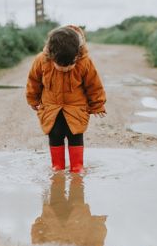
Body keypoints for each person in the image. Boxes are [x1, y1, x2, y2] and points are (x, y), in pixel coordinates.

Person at [26, 25, 106, 173]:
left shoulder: (85, 62)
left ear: (77, 54)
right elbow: (33, 81)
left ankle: (77, 167)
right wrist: (33, 99)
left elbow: (94, 84)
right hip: (51, 107)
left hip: (76, 108)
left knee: (75, 134)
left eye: (70, 65)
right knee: (55, 134)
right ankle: (57, 166)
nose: (65, 69)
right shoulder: (41, 60)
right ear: (51, 55)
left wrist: (97, 104)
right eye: (60, 65)